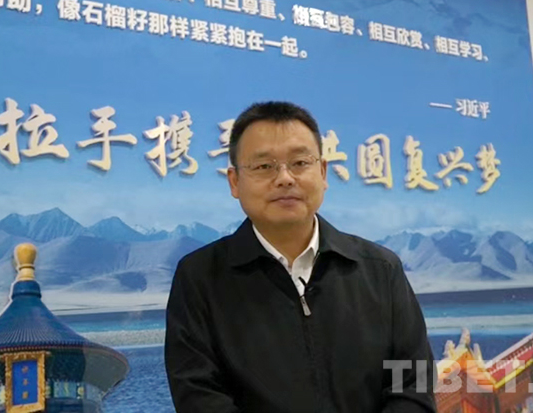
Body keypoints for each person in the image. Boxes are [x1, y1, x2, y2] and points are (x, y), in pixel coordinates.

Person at [165, 101, 436, 413]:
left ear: (322, 172)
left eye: (299, 163)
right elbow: (198, 395)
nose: (285, 178)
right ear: (234, 182)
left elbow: (413, 383)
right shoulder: (200, 277)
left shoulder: (381, 270)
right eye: (264, 166)